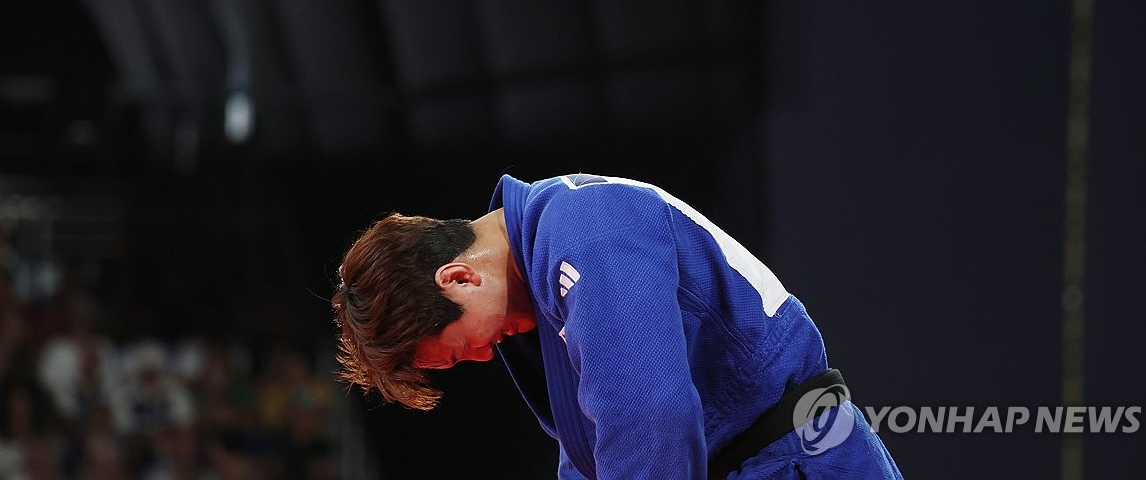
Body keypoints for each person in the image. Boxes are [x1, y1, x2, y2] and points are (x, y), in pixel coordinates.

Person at [334, 173, 903, 478]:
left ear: (458, 279)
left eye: (458, 353)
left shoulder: (586, 229)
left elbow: (647, 414)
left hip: (794, 462)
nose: (483, 358)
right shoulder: (547, 268)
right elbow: (595, 449)